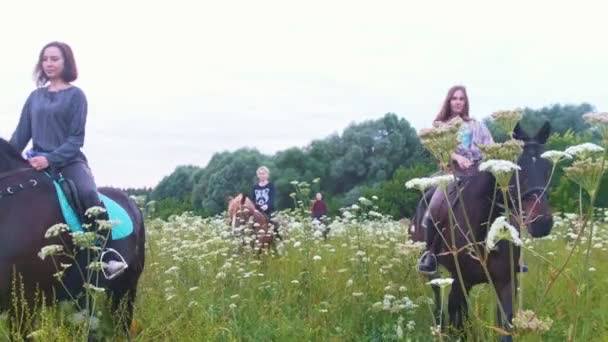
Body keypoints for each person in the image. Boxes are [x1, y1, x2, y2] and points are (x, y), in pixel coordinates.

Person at [9, 41, 126, 277]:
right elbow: (20, 136)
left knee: (88, 193)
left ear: (66, 62)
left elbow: (75, 139)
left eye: (55, 59)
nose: (49, 64)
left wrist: (49, 159)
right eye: (45, 59)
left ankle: (105, 256)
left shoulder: (76, 96)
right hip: (35, 163)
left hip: (69, 162)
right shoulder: (35, 97)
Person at [417, 85, 494, 274]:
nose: (458, 102)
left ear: (465, 102)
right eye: (454, 98)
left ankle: (507, 252)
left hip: (478, 172)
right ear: (448, 101)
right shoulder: (440, 126)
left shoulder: (477, 125)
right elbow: (438, 148)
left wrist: (491, 157)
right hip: (452, 173)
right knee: (435, 205)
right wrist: (457, 157)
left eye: (461, 98)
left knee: (502, 199)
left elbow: (490, 145)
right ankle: (430, 253)